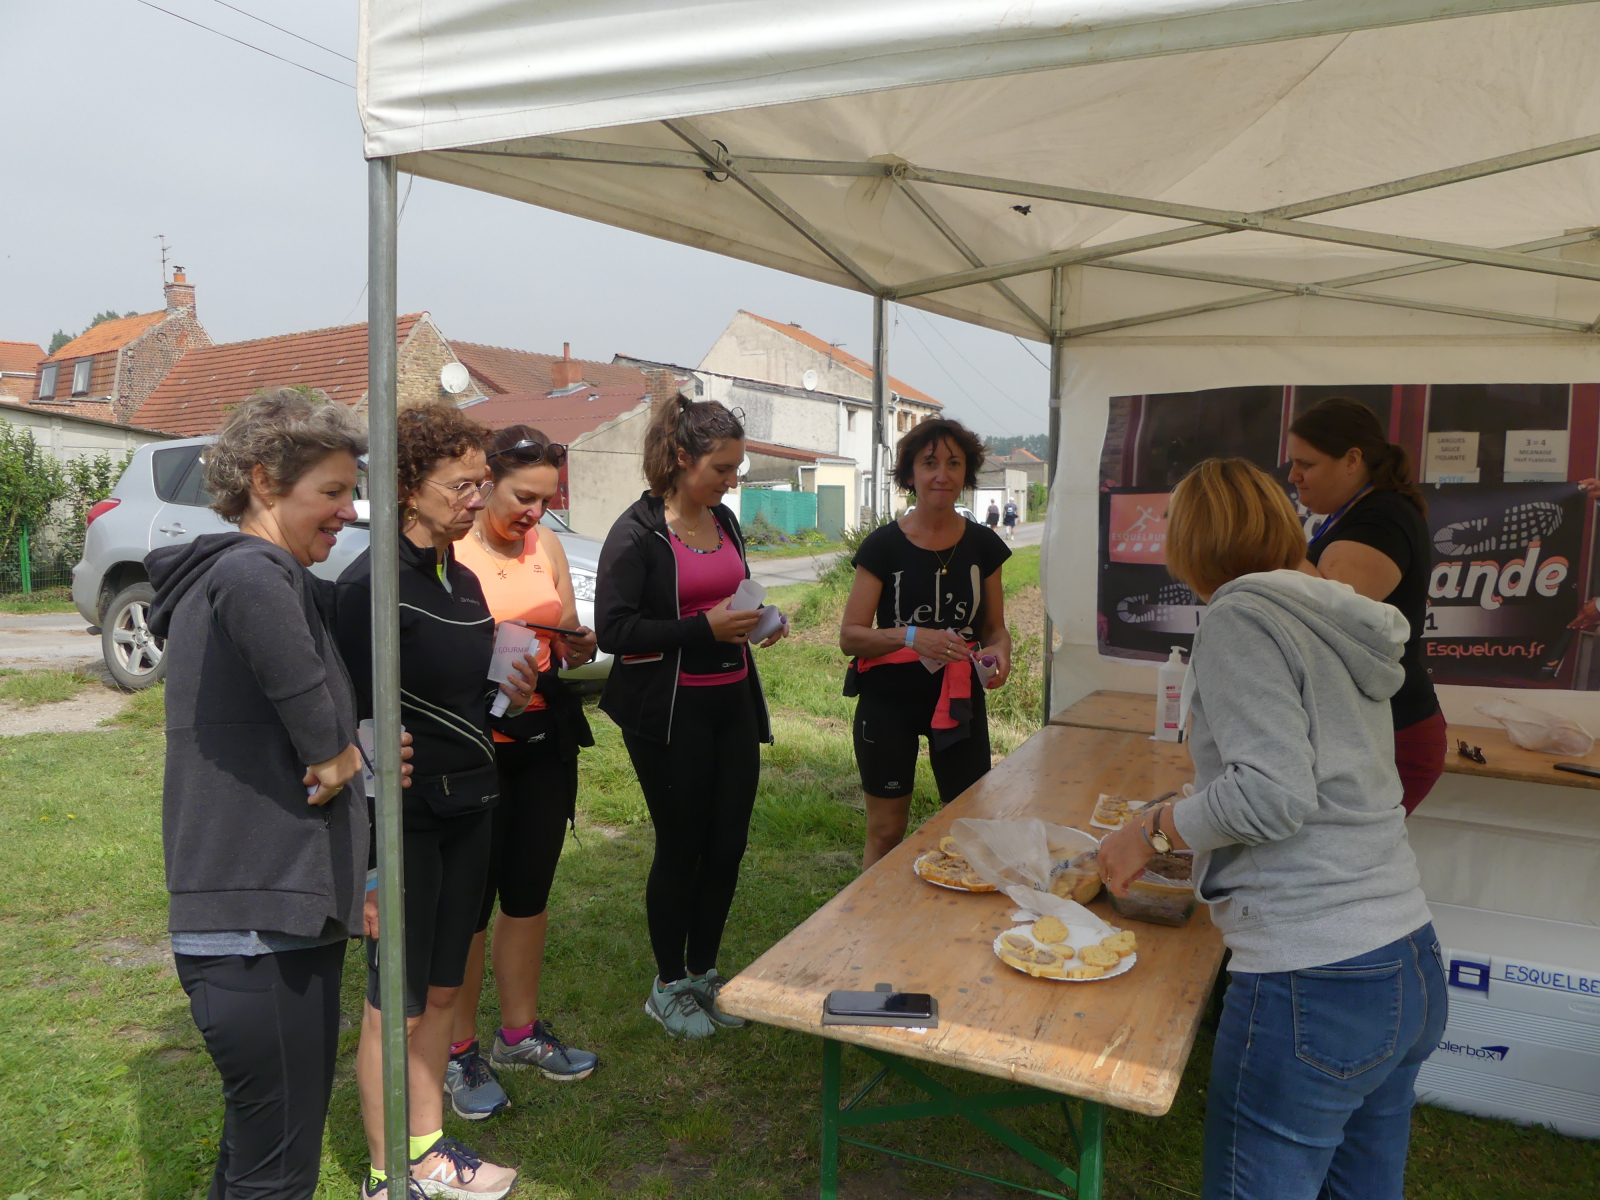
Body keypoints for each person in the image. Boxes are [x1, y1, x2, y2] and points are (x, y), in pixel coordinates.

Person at [1098, 458, 1445, 1200]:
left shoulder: (1241, 616)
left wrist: (1150, 831)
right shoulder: (1331, 615)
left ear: (1192, 546)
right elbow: (1306, 769)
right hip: (1406, 954)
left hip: (1314, 972)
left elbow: (1272, 795)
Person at [149, 389, 405, 1199]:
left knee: (257, 1160)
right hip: (258, 934)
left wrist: (355, 756)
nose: (347, 511)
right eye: (331, 491)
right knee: (279, 1174)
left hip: (261, 921)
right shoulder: (252, 572)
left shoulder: (254, 573)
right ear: (265, 480)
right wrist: (339, 753)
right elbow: (315, 723)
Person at [336, 405, 528, 1200]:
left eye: (482, 484)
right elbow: (347, 726)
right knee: (397, 1003)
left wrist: (508, 692)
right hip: (404, 822)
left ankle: (427, 1148)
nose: (477, 499)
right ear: (407, 486)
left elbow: (458, 698)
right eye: (461, 485)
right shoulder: (369, 586)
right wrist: (368, 865)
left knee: (445, 992)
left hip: (471, 807)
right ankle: (387, 1175)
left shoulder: (464, 578)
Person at [595, 396, 788, 1041]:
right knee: (682, 845)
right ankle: (668, 984)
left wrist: (763, 619)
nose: (731, 482)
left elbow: (732, 594)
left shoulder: (724, 520)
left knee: (728, 844)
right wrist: (702, 628)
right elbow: (615, 631)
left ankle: (704, 973)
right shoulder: (636, 533)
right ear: (681, 458)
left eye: (736, 469)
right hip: (668, 713)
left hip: (732, 704)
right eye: (721, 469)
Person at [447, 425, 600, 1118]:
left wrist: (576, 645)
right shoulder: (451, 550)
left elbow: (564, 630)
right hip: (472, 744)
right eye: (523, 498)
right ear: (485, 487)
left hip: (542, 737)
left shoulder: (547, 546)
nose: (535, 513)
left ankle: (518, 1033)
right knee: (469, 904)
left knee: (529, 892)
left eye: (546, 500)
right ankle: (457, 1051)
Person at [840, 418, 1012, 871]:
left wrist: (1001, 652)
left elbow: (995, 628)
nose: (942, 475)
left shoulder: (984, 545)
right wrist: (912, 636)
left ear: (966, 473)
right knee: (885, 832)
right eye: (930, 463)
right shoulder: (883, 546)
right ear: (910, 473)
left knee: (969, 827)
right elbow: (850, 636)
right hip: (888, 703)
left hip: (959, 701)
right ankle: (876, 914)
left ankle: (956, 910)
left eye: (954, 464)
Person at [1286, 398, 1444, 813]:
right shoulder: (1360, 513)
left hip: (1392, 733)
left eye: (1306, 464)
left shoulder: (1383, 518)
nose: (1293, 475)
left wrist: (1265, 536)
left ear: (1353, 459)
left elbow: (1325, 613)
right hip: (1369, 730)